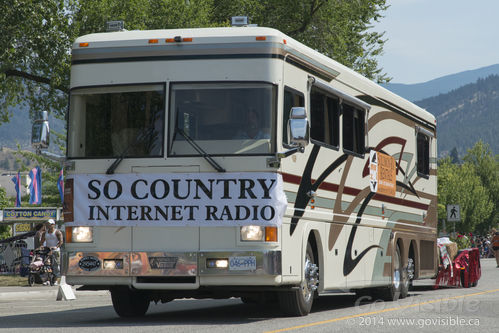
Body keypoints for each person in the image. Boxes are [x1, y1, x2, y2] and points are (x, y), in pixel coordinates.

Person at [41, 219, 63, 284]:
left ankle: (55, 280)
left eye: (49, 224)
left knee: (56, 266)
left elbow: (61, 241)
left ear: (53, 225)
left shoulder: (57, 232)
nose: (48, 225)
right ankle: (47, 280)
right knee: (47, 264)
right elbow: (42, 241)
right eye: (47, 224)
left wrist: (56, 247)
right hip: (47, 250)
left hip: (55, 250)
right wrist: (42, 246)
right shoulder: (45, 233)